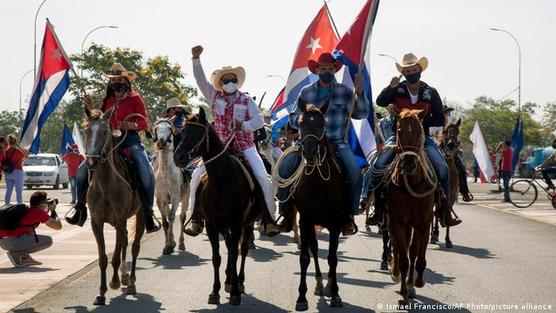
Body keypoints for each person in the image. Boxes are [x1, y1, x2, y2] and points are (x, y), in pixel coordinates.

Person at [186, 45, 278, 236]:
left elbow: (259, 120)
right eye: (226, 80)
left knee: (263, 178)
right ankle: (194, 217)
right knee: (196, 177)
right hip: (219, 150)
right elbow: (200, 80)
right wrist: (196, 59)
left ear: (237, 82)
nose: (230, 82)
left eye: (233, 79)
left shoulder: (246, 99)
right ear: (220, 83)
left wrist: (243, 126)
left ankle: (269, 218)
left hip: (245, 147)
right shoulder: (213, 96)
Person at [276, 52, 369, 236]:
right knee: (284, 168)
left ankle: (349, 216)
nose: (326, 71)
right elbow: (293, 118)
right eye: (323, 68)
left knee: (355, 173)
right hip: (307, 142)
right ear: (317, 70)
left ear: (335, 70)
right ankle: (286, 214)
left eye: (329, 69)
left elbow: (361, 113)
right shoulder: (306, 92)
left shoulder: (344, 91)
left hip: (336, 142)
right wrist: (301, 118)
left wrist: (359, 93)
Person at [366, 53, 461, 227]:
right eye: (408, 70)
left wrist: (418, 121)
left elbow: (440, 118)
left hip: (422, 138)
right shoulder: (398, 89)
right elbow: (380, 101)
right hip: (398, 138)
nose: (411, 72)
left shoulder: (430, 92)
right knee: (378, 166)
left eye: (414, 69)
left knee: (442, 168)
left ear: (420, 70)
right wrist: (390, 87)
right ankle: (375, 207)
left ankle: (444, 209)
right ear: (404, 72)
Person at [65, 63, 160, 233]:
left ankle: (148, 212)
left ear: (125, 81)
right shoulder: (107, 100)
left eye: (119, 79)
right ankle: (80, 208)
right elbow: (98, 119)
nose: (116, 82)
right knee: (81, 171)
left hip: (130, 142)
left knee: (146, 171)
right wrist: (89, 107)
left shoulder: (135, 98)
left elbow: (145, 122)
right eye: (113, 80)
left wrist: (129, 124)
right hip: (108, 144)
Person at [0, 191, 62, 267]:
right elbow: (58, 226)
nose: (48, 204)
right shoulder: (38, 213)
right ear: (42, 204)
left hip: (3, 241)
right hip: (12, 243)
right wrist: (53, 210)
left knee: (30, 232)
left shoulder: (28, 210)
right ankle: (17, 253)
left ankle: (24, 258)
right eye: (46, 202)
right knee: (48, 241)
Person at [442, 105, 472, 202]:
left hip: (450, 152)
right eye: (446, 112)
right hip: (438, 148)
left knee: (462, 168)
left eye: (448, 113)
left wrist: (456, 144)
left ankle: (465, 191)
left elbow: (455, 138)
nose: (448, 114)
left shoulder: (451, 125)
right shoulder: (436, 121)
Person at [1, 134, 27, 205]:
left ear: (8, 142)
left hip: (8, 173)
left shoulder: (5, 151)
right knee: (19, 191)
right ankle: (20, 206)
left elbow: (3, 160)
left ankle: (6, 206)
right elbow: (26, 156)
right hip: (18, 172)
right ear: (15, 141)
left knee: (8, 191)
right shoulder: (19, 151)